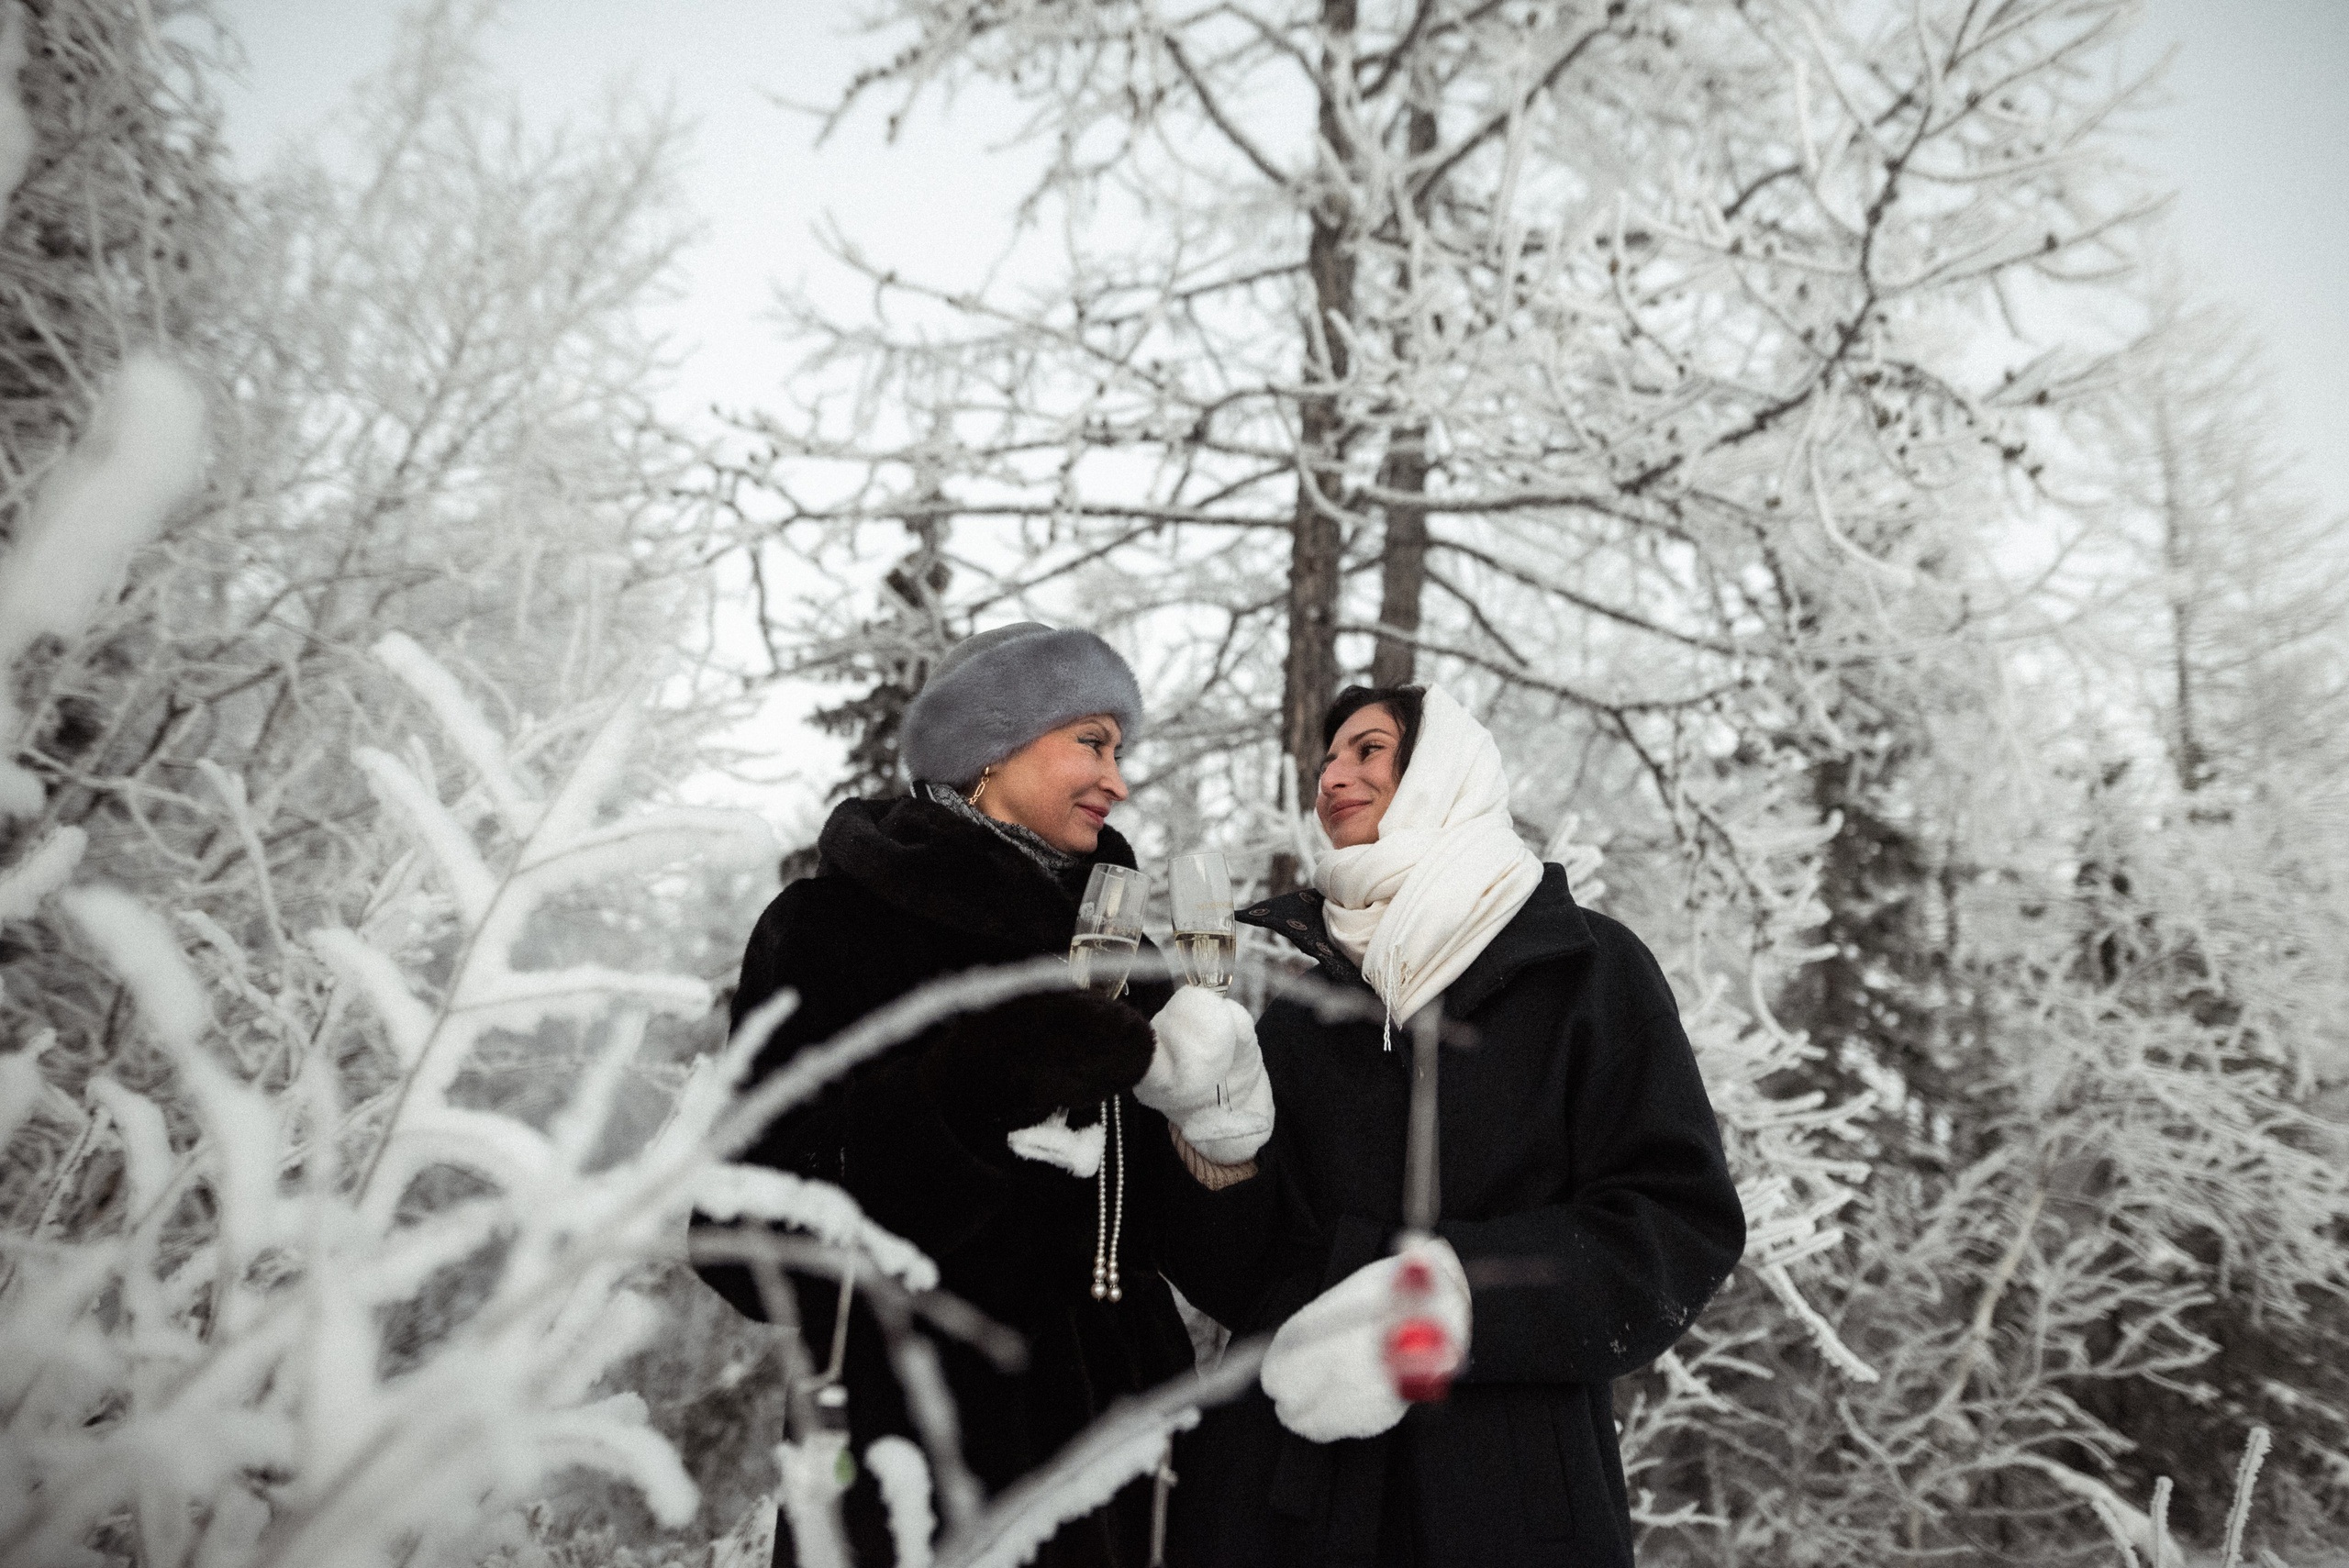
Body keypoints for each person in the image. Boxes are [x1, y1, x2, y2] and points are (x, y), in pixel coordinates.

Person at [696, 622, 1273, 1568]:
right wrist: (967, 1086)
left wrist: (1227, 1132)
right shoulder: (832, 930)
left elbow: (1206, 1260)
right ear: (988, 750)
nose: (1118, 779)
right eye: (1091, 741)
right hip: (918, 1477)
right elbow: (740, 1240)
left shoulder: (1130, 957)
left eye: (1120, 749)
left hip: (1127, 1485)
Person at [1165, 683, 1748, 1568]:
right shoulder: (1302, 1004)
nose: (1333, 776)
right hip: (1290, 1503)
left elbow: (1674, 1226)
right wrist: (1218, 1152)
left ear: (1445, 772)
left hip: (1507, 1503)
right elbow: (1248, 1278)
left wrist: (1453, 1302)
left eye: (1367, 750)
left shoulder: (1586, 971)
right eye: (1326, 760)